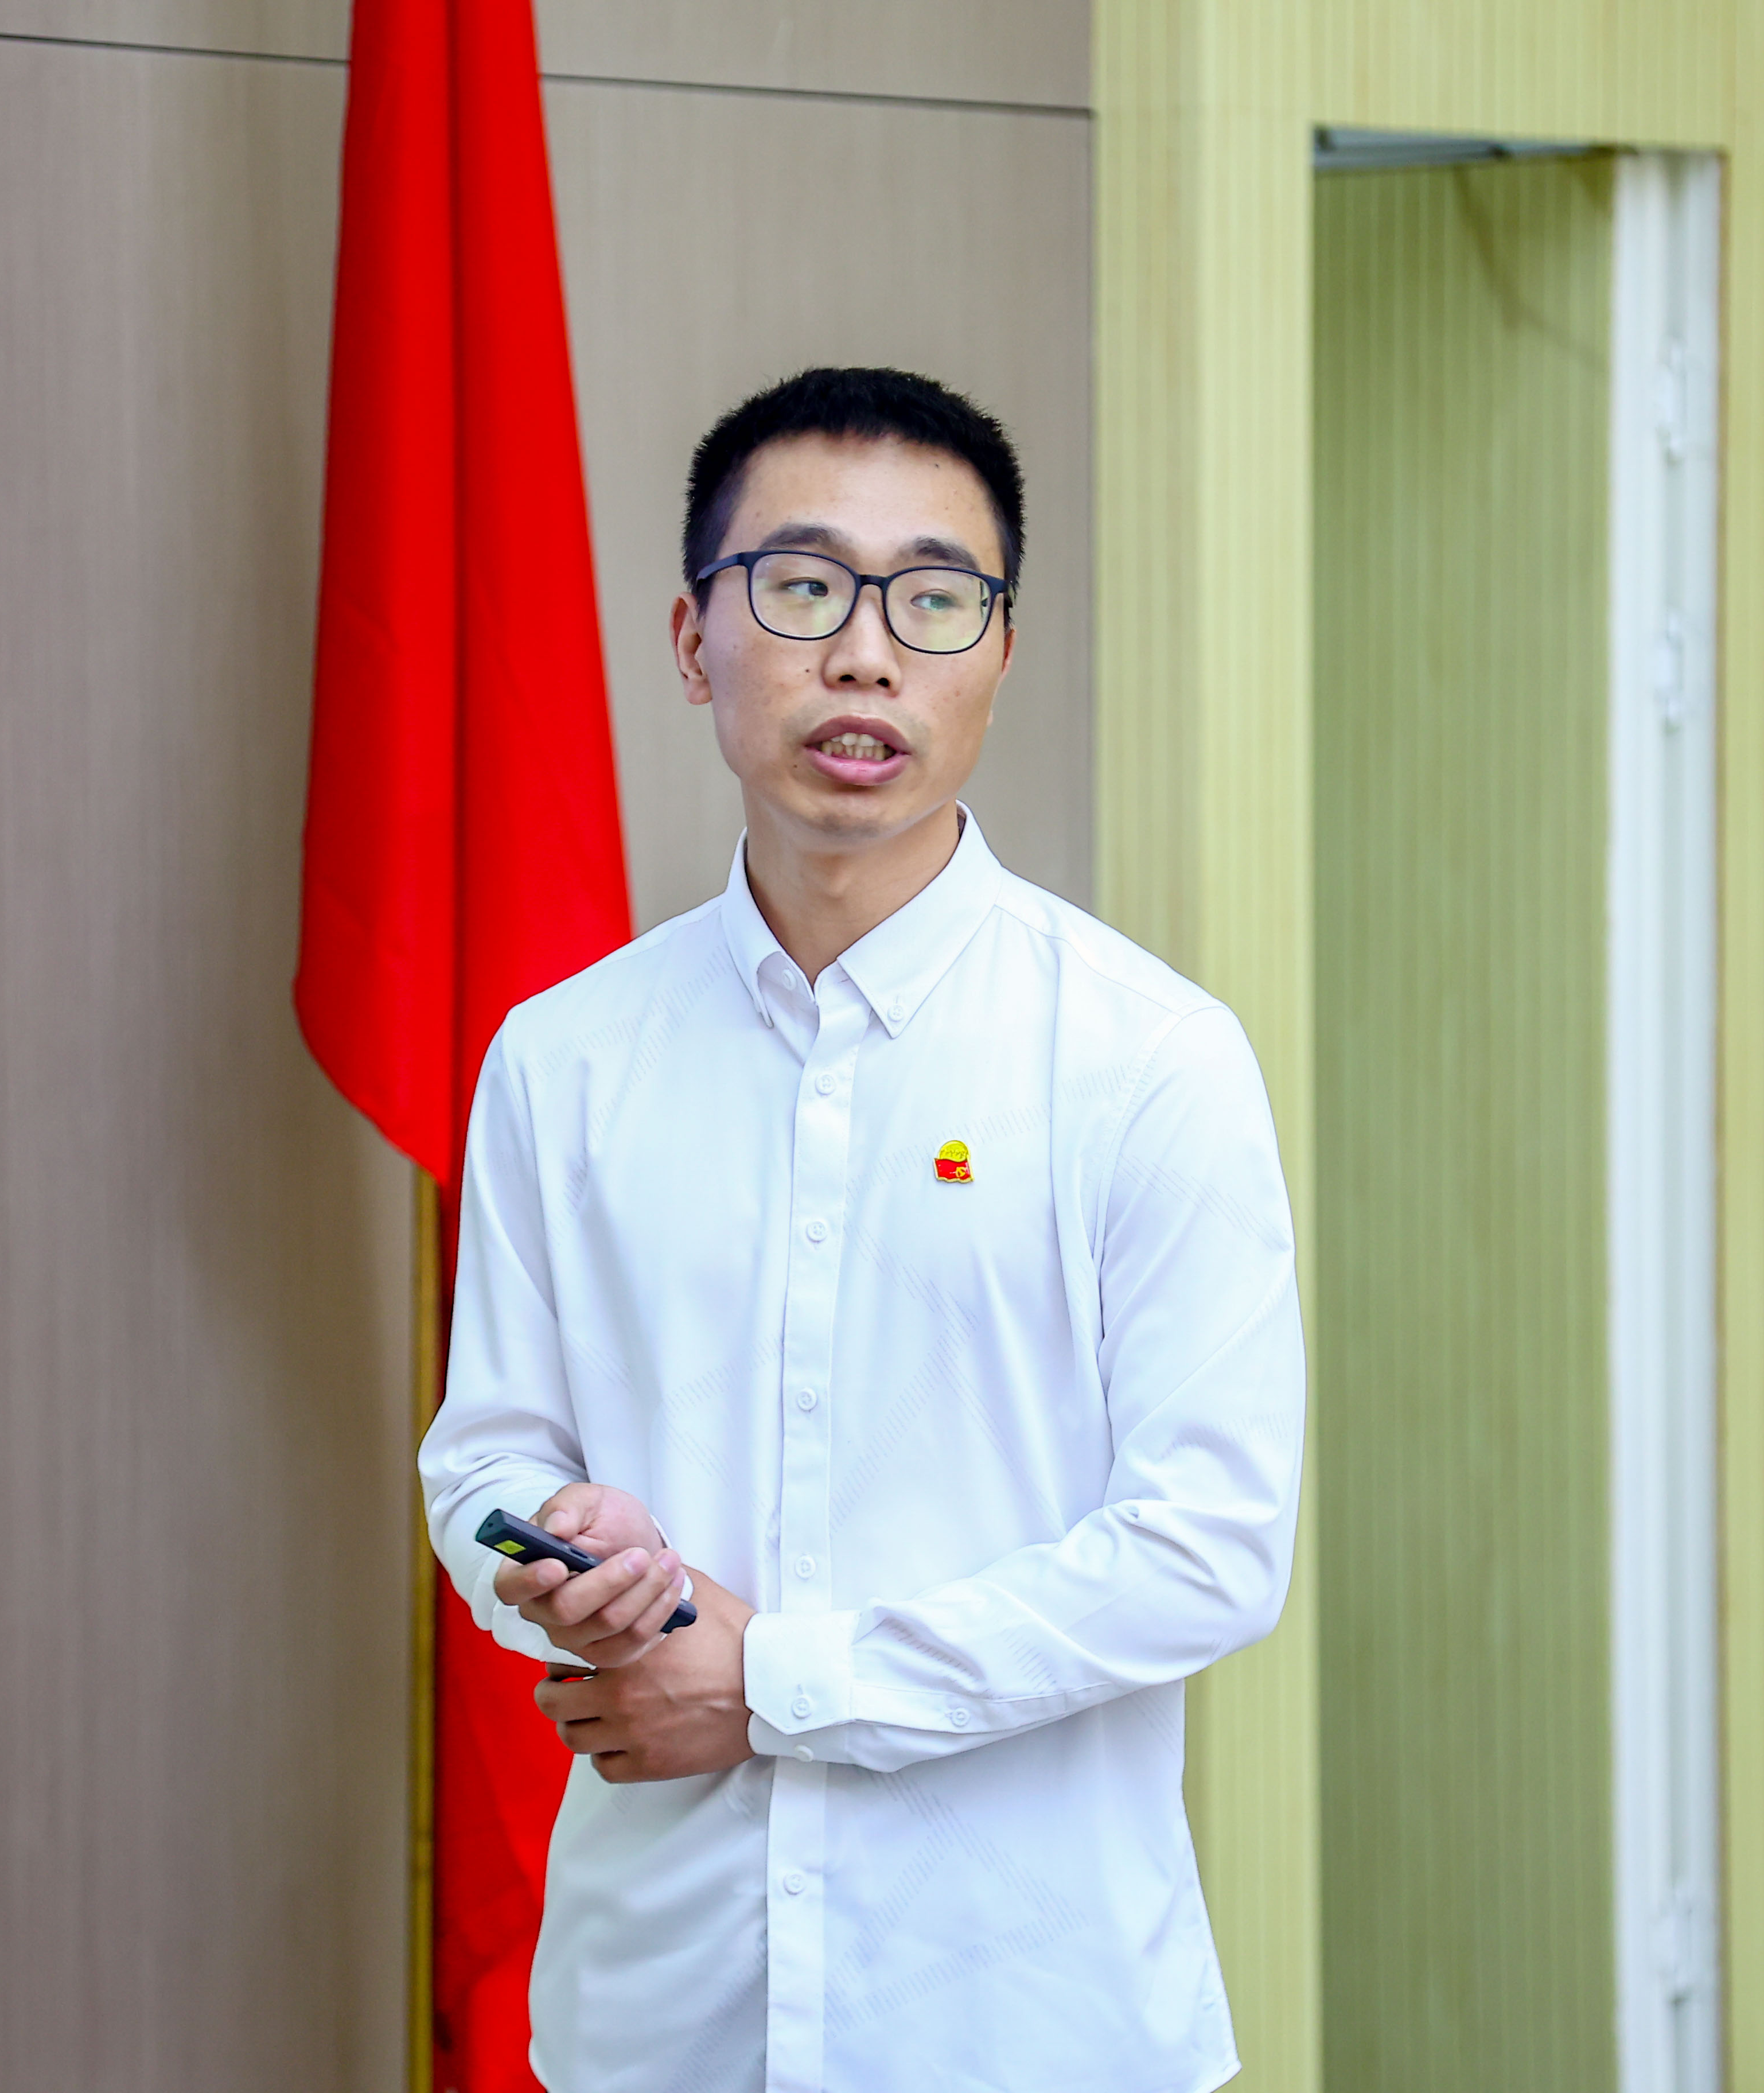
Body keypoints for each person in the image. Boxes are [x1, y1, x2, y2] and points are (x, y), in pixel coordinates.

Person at [416, 367, 1306, 2093]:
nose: (866, 654)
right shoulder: (564, 1057)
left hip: (1032, 2026)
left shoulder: (1148, 1061)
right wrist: (562, 1554)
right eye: (803, 586)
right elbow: (482, 1460)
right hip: (659, 2021)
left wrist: (780, 1683)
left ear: (1001, 650)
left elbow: (1209, 1546)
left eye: (934, 597)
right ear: (694, 640)